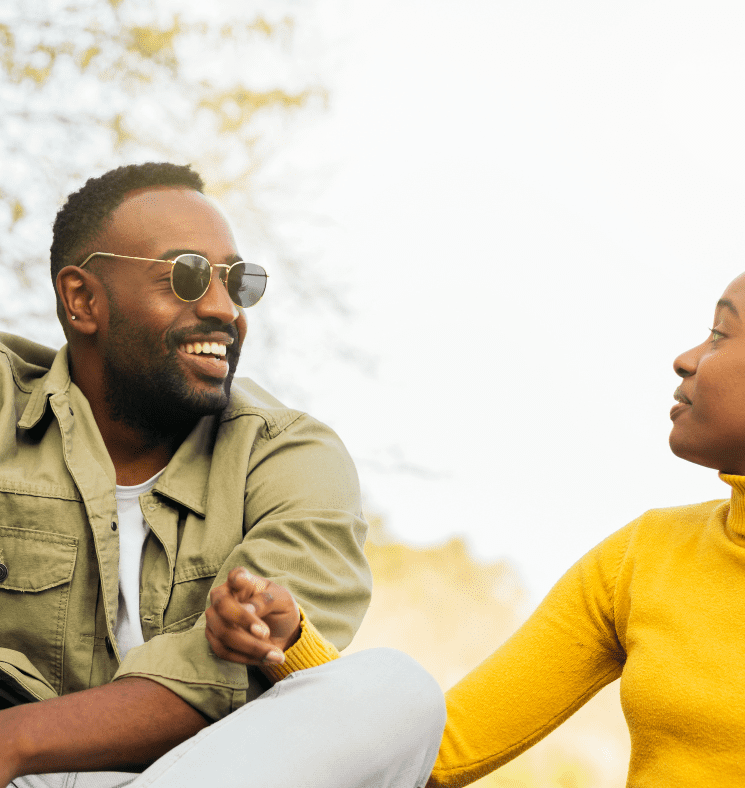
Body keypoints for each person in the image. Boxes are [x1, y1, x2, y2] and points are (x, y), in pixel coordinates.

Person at [210, 232, 745, 786]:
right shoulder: (645, 557)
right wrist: (291, 642)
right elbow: (445, 749)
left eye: (721, 332)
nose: (686, 357)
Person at [0, 162, 445, 788]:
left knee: (397, 691)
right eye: (185, 277)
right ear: (83, 300)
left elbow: (258, 670)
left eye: (239, 283)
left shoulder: (291, 454)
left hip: (209, 773)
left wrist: (16, 739)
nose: (223, 310)